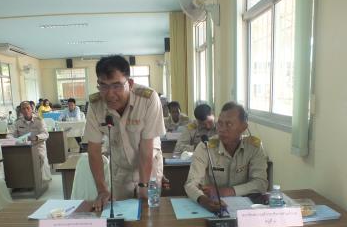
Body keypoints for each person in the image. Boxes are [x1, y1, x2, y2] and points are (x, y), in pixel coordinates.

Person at [85, 55, 165, 211]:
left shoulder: (148, 99)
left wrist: (144, 184)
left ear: (129, 83)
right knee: (121, 214)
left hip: (150, 165)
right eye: (104, 86)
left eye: (116, 86)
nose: (109, 94)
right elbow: (94, 150)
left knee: (149, 211)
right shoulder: (96, 105)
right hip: (120, 167)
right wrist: (102, 190)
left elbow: (146, 147)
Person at [184, 102, 268, 212]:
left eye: (229, 124)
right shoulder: (205, 147)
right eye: (219, 123)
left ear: (243, 127)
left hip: (244, 209)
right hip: (211, 205)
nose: (222, 129)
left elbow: (260, 183)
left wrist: (226, 191)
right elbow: (191, 184)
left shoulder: (254, 148)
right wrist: (204, 200)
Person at [12, 101, 51, 181]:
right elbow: (11, 134)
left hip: (38, 146)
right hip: (23, 147)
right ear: (21, 111)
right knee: (14, 158)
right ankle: (23, 180)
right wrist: (10, 138)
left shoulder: (39, 120)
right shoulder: (17, 122)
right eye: (23, 108)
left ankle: (38, 180)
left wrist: (36, 137)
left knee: (40, 157)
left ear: (31, 109)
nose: (26, 110)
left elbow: (45, 134)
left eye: (28, 108)